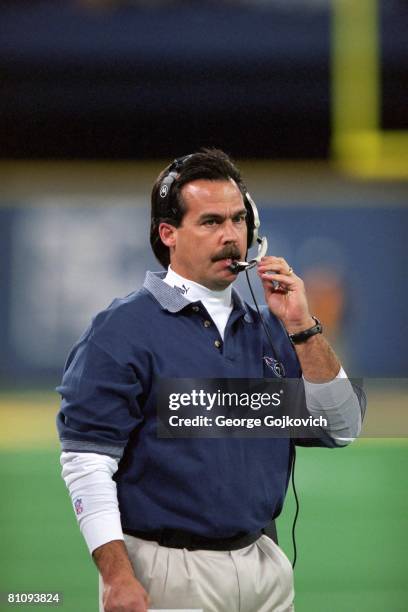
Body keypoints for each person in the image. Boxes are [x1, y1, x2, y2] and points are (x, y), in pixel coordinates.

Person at [57, 148, 363, 612]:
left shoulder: (271, 328)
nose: (231, 236)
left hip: (265, 567)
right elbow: (86, 461)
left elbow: (342, 428)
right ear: (168, 234)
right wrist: (117, 577)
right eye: (211, 222)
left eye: (239, 220)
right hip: (166, 572)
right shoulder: (121, 330)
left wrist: (302, 327)